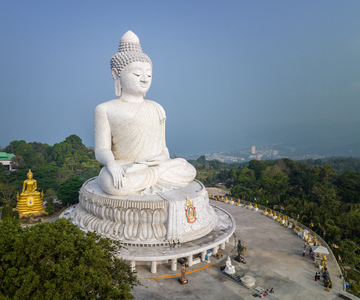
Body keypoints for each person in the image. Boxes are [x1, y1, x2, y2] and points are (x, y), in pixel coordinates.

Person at [95, 30, 196, 196]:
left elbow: (163, 148)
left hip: (154, 165)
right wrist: (111, 164)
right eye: (137, 74)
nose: (144, 79)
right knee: (113, 183)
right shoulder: (105, 109)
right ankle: (157, 173)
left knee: (188, 170)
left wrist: (161, 163)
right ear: (116, 75)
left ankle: (160, 171)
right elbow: (101, 149)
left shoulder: (156, 107)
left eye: (149, 74)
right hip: (125, 167)